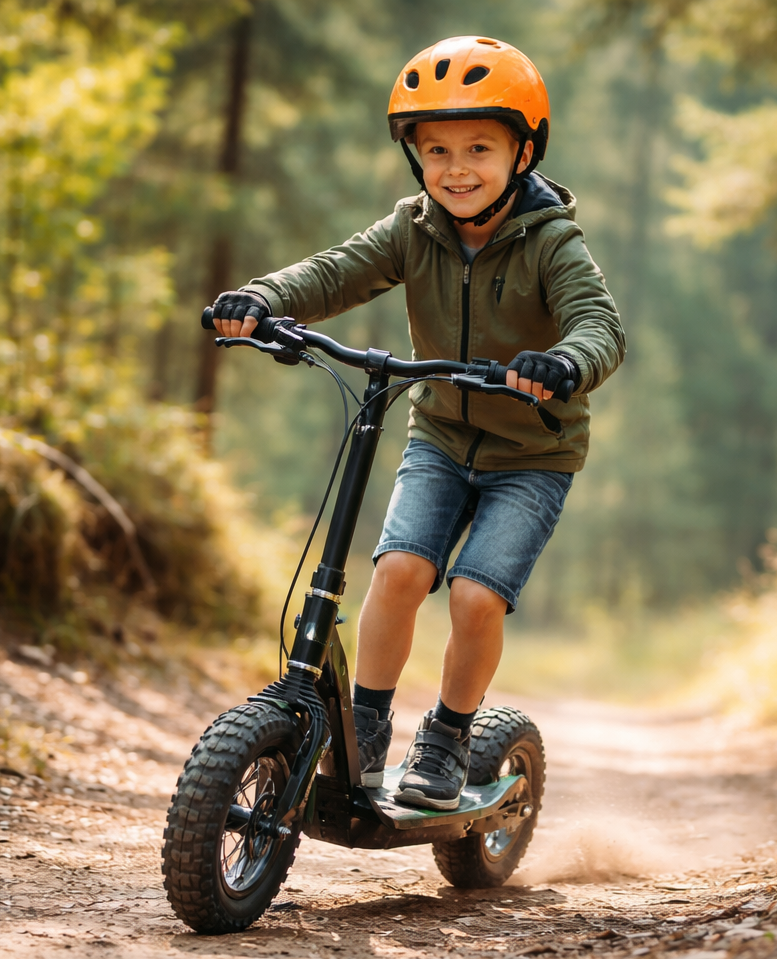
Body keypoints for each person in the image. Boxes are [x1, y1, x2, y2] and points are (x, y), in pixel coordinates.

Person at [211, 36, 623, 810]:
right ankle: (364, 725)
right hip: (439, 435)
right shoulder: (415, 228)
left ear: (522, 152)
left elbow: (600, 324)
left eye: (478, 148)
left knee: (474, 596)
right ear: (414, 159)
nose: (455, 168)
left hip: (533, 452)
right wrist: (263, 298)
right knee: (398, 571)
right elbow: (336, 271)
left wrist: (565, 363)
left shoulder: (553, 242)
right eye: (435, 150)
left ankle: (448, 734)